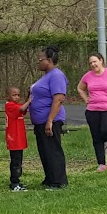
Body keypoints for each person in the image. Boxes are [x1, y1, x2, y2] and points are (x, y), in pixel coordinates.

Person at [28, 45, 68, 189]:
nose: (38, 62)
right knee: (45, 150)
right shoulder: (46, 76)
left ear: (49, 60)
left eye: (40, 59)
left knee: (52, 150)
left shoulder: (57, 75)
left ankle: (59, 181)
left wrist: (50, 120)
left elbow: (58, 99)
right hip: (40, 120)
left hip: (50, 120)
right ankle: (50, 178)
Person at [4, 86, 28, 191]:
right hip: (14, 139)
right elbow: (22, 109)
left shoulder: (17, 105)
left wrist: (28, 97)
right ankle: (14, 182)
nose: (17, 97)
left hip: (19, 139)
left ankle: (17, 180)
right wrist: (30, 100)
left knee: (19, 161)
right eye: (14, 95)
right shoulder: (9, 105)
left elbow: (24, 109)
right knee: (15, 162)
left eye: (18, 95)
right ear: (8, 96)